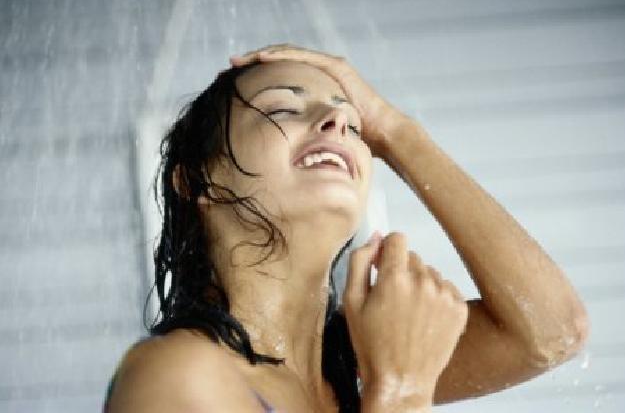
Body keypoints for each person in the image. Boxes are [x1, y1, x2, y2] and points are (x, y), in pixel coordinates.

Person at [104, 44, 589, 413]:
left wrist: (394, 131)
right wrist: (400, 393)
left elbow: (552, 332)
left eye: (354, 126)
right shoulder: (176, 373)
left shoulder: (359, 367)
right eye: (283, 108)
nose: (337, 119)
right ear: (196, 180)